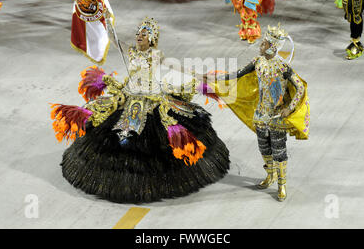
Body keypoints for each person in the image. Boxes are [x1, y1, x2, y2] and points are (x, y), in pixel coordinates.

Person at [50, 18, 230, 203]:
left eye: (143, 35)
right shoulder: (130, 50)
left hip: (151, 98)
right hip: (128, 95)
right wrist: (103, 16)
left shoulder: (156, 55)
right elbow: (113, 37)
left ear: (151, 38)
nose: (138, 37)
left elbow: (178, 67)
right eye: (138, 34)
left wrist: (200, 75)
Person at [203, 24, 310, 201]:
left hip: (276, 116)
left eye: (264, 44)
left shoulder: (283, 68)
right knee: (264, 148)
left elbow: (299, 88)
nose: (260, 46)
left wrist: (289, 109)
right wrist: (215, 78)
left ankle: (282, 184)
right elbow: (237, 74)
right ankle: (271, 175)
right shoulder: (257, 62)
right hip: (260, 115)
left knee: (279, 151)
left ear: (273, 47)